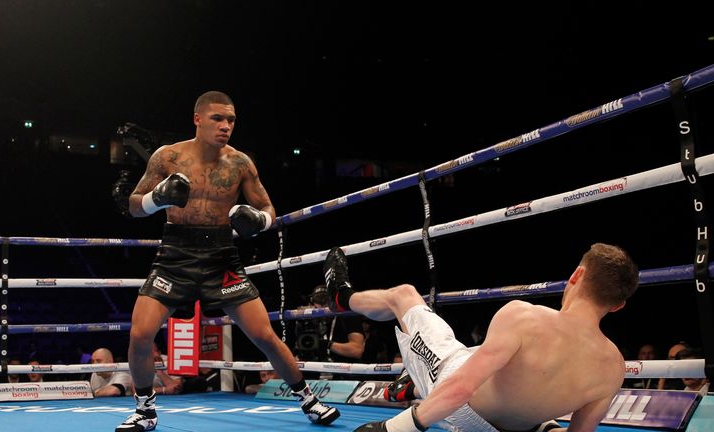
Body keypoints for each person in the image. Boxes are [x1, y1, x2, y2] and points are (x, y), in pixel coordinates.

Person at [118, 91, 339, 432]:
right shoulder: (168, 156)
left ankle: (309, 400)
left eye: (231, 120)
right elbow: (132, 205)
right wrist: (156, 198)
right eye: (217, 119)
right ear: (197, 119)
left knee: (264, 334)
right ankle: (145, 410)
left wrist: (259, 221)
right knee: (140, 334)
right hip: (175, 253)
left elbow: (268, 209)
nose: (225, 126)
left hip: (222, 255)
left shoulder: (240, 163)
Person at [323, 243, 639, 432]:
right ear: (619, 305)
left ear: (576, 275)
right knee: (493, 354)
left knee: (404, 296)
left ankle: (342, 297)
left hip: (460, 400)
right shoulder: (613, 367)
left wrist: (396, 427)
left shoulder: (525, 316)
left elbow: (461, 385)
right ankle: (413, 381)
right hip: (516, 425)